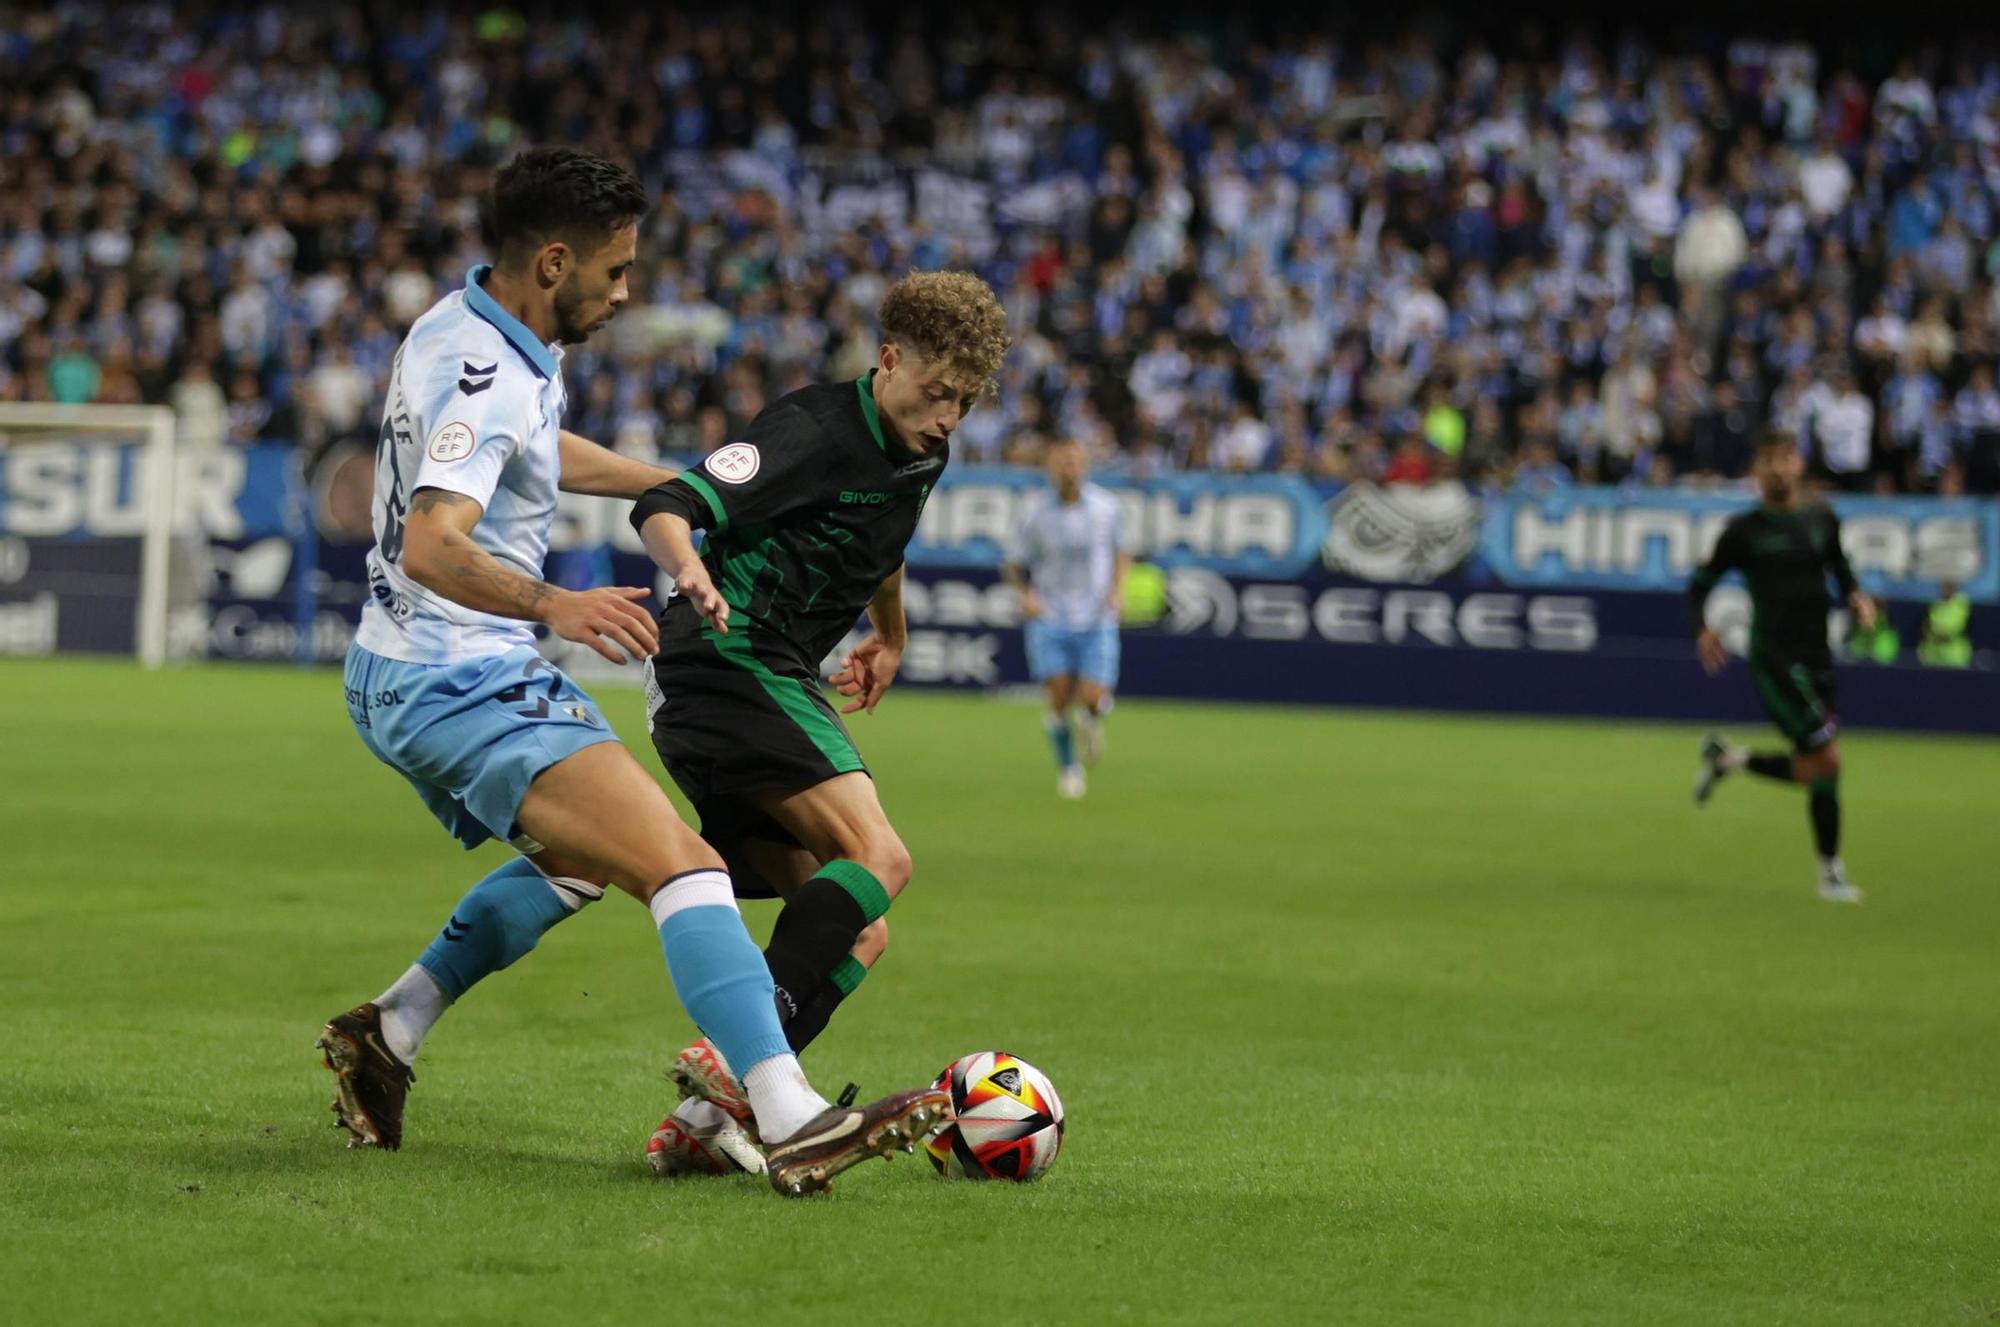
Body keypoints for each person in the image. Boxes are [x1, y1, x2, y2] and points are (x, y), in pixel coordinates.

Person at [318, 147, 945, 1197]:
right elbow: (434, 542)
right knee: (684, 865)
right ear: (553, 261)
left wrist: (678, 481)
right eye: (613, 273)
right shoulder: (485, 367)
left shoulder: (464, 325)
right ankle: (787, 1115)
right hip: (456, 676)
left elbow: (539, 451)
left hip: (399, 670)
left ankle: (391, 1025)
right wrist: (556, 603)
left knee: (582, 861)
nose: (624, 293)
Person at [627, 270, 1010, 1175]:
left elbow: (887, 543)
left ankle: (702, 1121)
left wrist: (891, 635)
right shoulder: (808, 431)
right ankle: (737, 1070)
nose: (949, 414)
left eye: (965, 400)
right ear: (888, 361)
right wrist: (689, 568)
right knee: (882, 859)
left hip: (758, 674)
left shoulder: (923, 447)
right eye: (936, 390)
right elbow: (664, 504)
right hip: (729, 655)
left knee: (856, 925)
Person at [1688, 431, 1875, 902]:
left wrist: (1857, 597)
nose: (1776, 467)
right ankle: (1831, 873)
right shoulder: (1744, 531)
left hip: (1818, 659)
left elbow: (1841, 567)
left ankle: (1729, 758)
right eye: (1767, 459)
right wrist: (1703, 629)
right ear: (1756, 470)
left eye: (1785, 458)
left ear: (1799, 464)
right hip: (1775, 659)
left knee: (1818, 768)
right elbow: (1699, 584)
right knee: (1828, 760)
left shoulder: (1821, 518)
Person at [1003, 437, 1132, 798]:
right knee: (1058, 698)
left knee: (1092, 698)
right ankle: (1069, 768)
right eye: (1061, 462)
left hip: (1096, 615)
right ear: (1049, 467)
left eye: (1074, 461)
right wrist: (1026, 596)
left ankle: (1092, 720)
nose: (1068, 468)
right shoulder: (1034, 512)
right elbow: (1013, 562)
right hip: (1050, 615)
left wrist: (1118, 590)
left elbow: (1123, 552)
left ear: (1085, 465)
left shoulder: (1107, 507)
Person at [1918, 580, 1973, 666]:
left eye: (1949, 586)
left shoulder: (1962, 602)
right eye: (1944, 586)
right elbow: (1927, 625)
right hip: (1932, 653)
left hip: (1955, 655)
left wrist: (1942, 633)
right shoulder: (1934, 603)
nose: (1946, 588)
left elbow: (1959, 626)